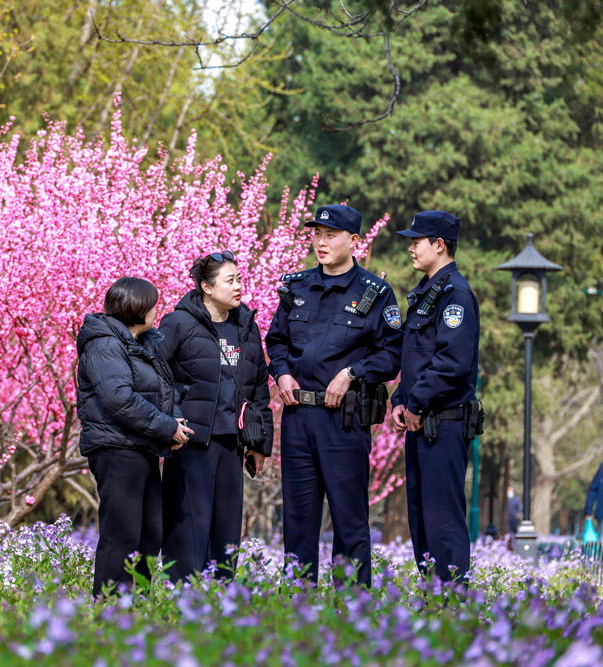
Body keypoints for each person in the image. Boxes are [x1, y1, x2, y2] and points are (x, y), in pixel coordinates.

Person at [266, 204, 401, 587]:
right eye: (317, 234)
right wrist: (282, 372)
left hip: (343, 421)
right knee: (298, 519)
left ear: (354, 241)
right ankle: (300, 603)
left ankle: (351, 609)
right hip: (298, 419)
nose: (321, 242)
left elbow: (392, 354)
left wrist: (352, 373)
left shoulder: (375, 293)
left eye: (331, 235)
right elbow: (277, 340)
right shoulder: (296, 286)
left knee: (349, 519)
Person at [157, 251, 273, 581]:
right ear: (207, 287)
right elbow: (155, 375)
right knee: (188, 526)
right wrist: (171, 420)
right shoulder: (178, 323)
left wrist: (259, 443)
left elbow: (258, 387)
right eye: (230, 280)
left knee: (226, 528)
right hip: (191, 442)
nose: (238, 287)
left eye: (239, 279)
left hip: (232, 444)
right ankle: (184, 597)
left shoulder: (246, 326)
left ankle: (221, 599)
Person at [76, 277, 195, 596]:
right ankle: (109, 609)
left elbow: (163, 389)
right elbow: (119, 400)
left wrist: (174, 419)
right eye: (154, 303)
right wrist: (167, 426)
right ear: (138, 308)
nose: (158, 309)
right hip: (115, 448)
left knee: (148, 533)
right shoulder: (104, 343)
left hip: (141, 446)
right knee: (122, 534)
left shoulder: (142, 343)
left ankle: (136, 609)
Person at [389, 210, 481, 584]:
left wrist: (415, 402)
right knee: (423, 521)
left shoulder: (455, 294)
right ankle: (433, 600)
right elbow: (416, 359)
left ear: (439, 245)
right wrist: (399, 399)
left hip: (442, 424)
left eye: (417, 241)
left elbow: (451, 362)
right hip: (421, 422)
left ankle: (453, 604)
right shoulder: (428, 293)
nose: (410, 248)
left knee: (443, 521)